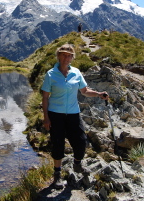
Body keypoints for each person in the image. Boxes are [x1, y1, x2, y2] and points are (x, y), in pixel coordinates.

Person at [41, 44, 109, 189]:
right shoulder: (50, 74)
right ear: (58, 56)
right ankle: (57, 176)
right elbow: (45, 97)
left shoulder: (76, 72)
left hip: (73, 113)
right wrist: (46, 117)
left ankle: (77, 164)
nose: (66, 58)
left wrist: (98, 94)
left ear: (72, 57)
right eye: (64, 54)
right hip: (55, 114)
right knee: (58, 144)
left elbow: (84, 91)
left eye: (69, 55)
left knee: (81, 141)